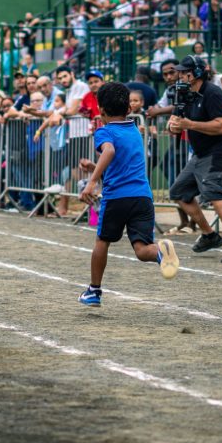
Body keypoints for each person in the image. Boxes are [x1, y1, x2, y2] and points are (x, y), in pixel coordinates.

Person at [77, 82, 178, 307]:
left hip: (116, 198)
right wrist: (94, 167)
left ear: (101, 110)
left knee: (102, 241)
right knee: (142, 250)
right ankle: (161, 252)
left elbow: (110, 151)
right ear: (129, 109)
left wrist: (91, 182)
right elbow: (119, 164)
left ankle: (94, 291)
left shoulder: (104, 131)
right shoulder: (133, 128)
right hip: (142, 197)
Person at [167, 56, 222, 263]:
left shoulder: (213, 93)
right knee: (179, 191)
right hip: (201, 153)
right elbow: (174, 122)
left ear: (195, 73)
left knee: (215, 193)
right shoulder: (184, 94)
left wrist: (189, 125)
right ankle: (209, 235)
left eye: (183, 72)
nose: (179, 75)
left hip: (220, 151)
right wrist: (173, 126)